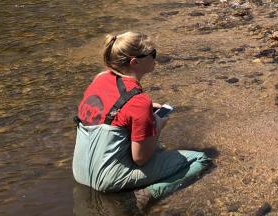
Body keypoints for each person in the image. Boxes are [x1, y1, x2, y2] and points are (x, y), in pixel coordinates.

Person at [73, 32, 210, 206]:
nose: (155, 58)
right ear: (134, 62)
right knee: (200, 159)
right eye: (152, 54)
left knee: (155, 147)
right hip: (107, 180)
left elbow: (110, 108)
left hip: (80, 171)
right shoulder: (138, 102)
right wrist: (158, 125)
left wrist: (146, 110)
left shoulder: (100, 78)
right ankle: (145, 195)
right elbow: (140, 159)